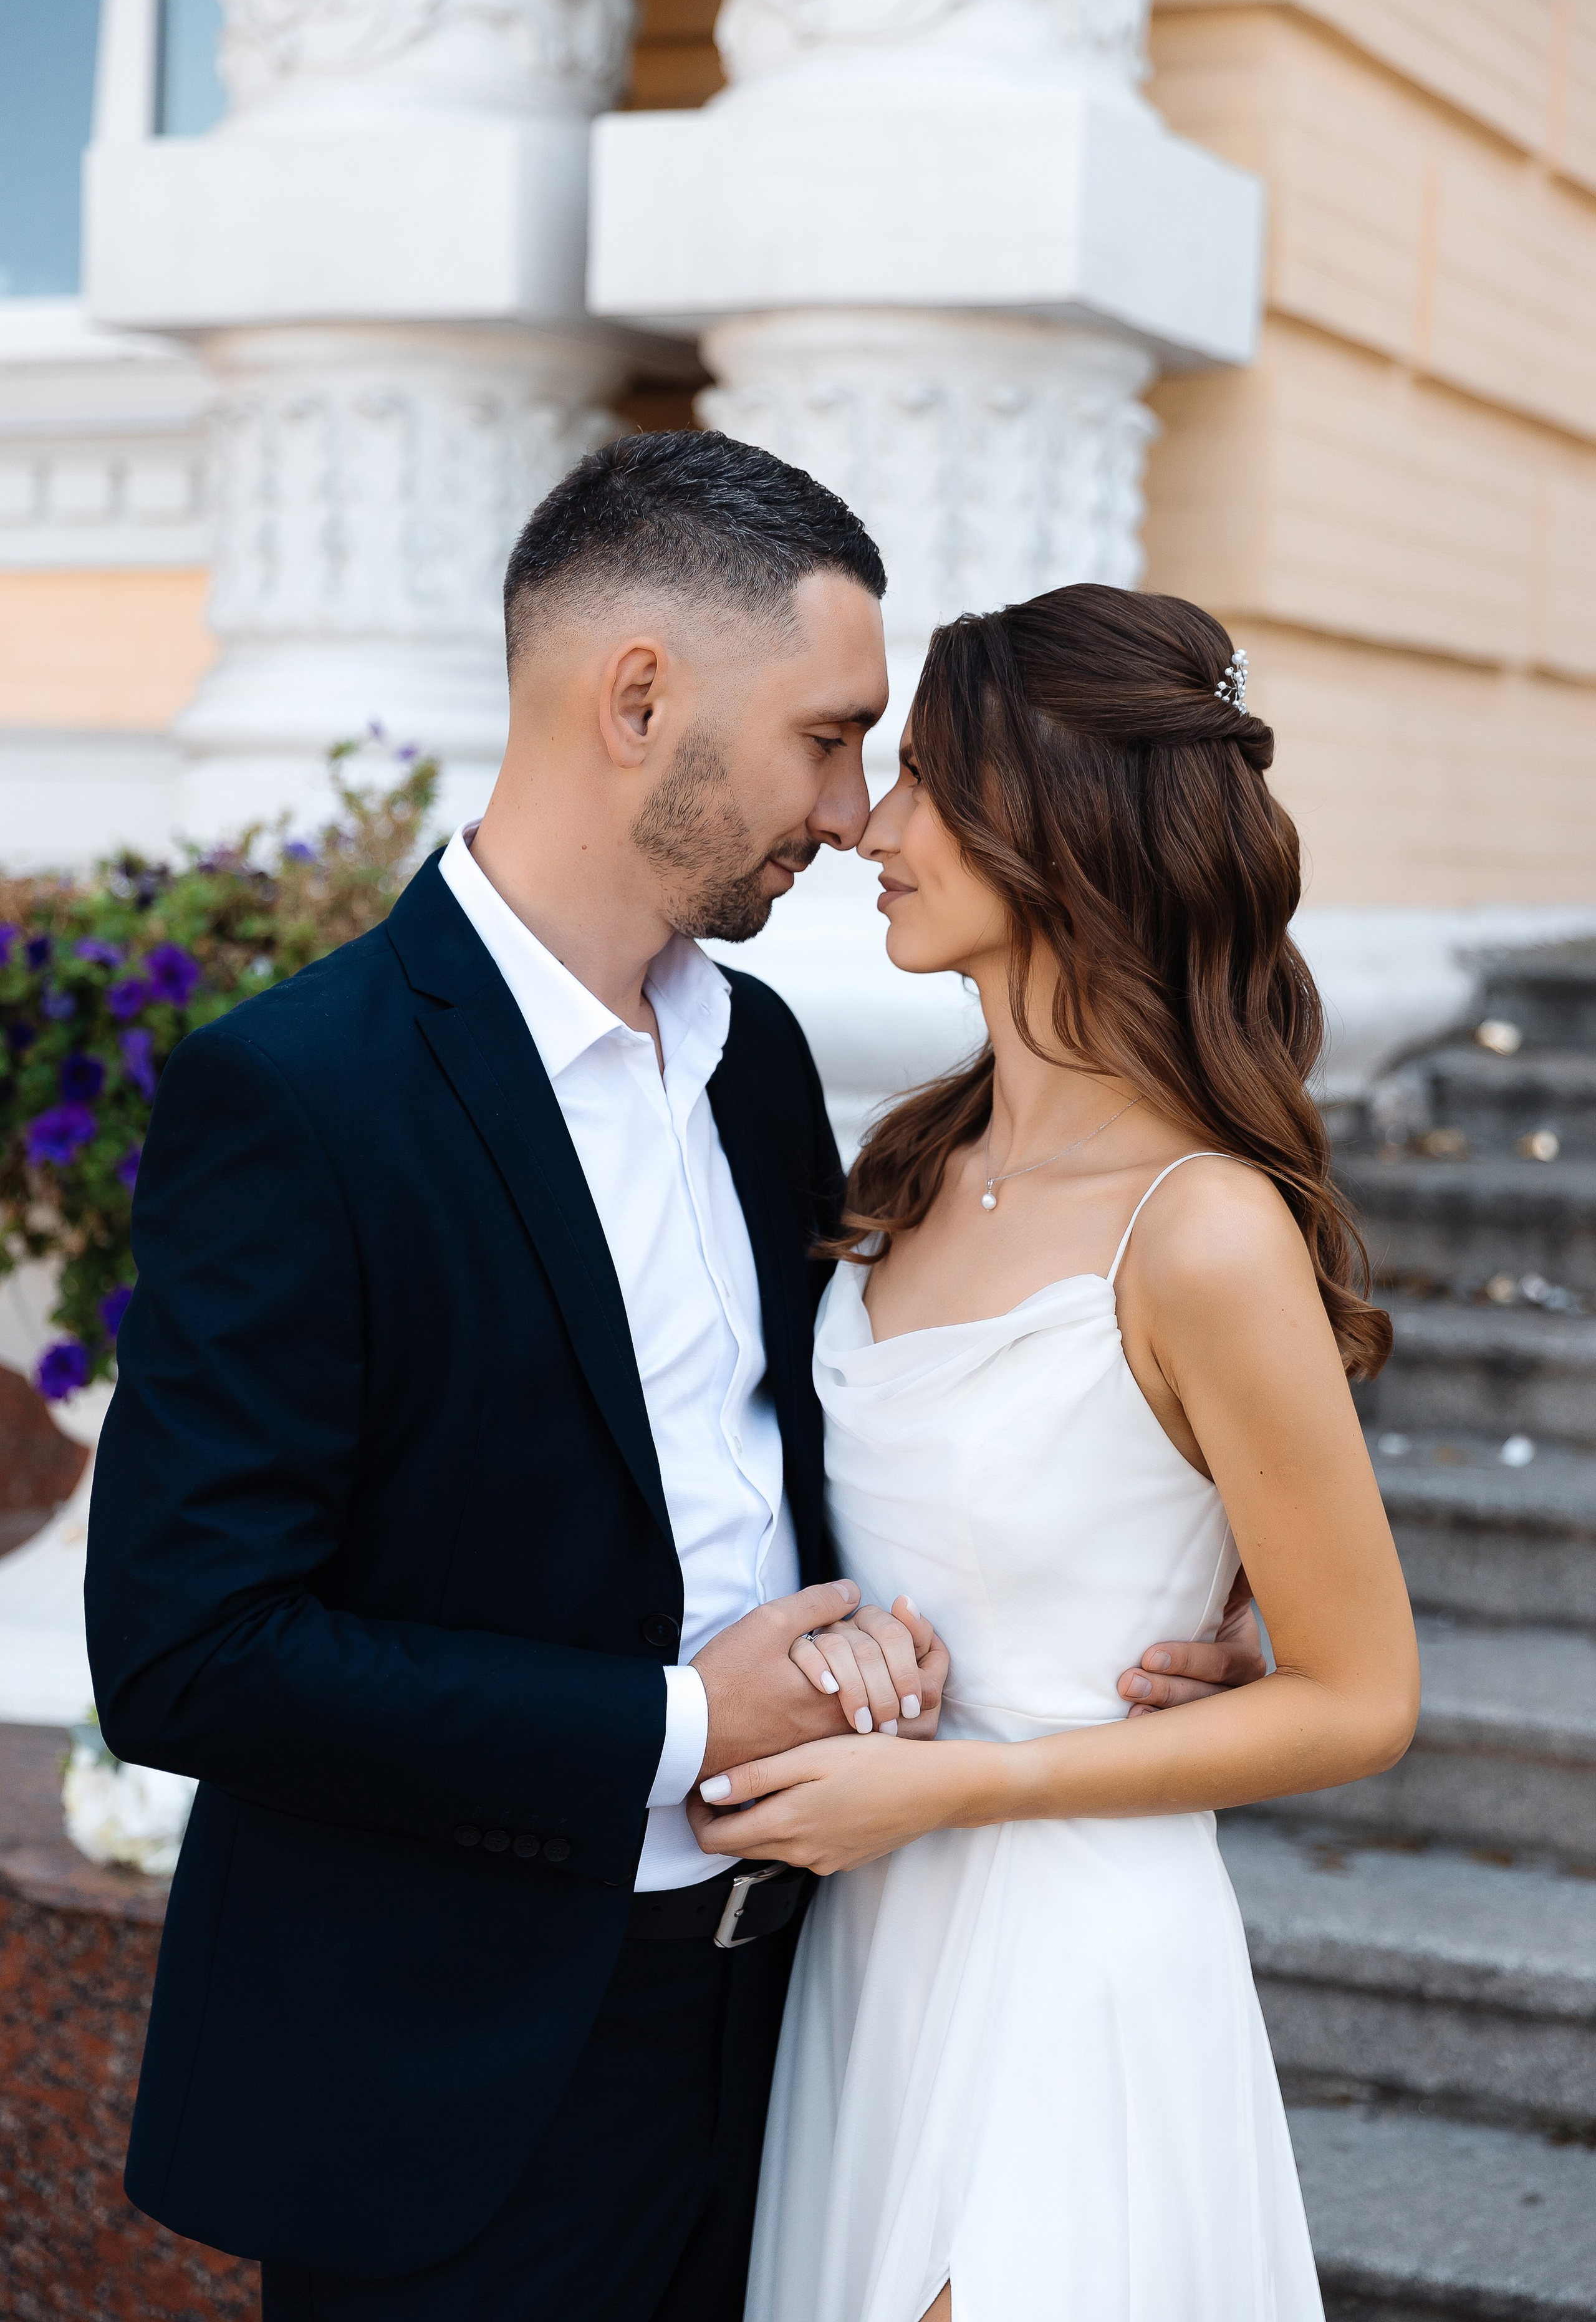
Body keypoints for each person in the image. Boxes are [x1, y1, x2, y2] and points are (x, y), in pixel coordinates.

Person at [85, 435, 1262, 2322]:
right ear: (639, 698)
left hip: (808, 2031)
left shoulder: (767, 1066)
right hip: (456, 2088)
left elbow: (877, 1453)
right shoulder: (304, 1098)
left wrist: (1179, 1584)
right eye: (826, 735)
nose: (858, 808)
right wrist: (681, 1727)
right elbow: (186, 1647)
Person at [695, 585, 1423, 2322]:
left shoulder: (1205, 1232)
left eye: (933, 780)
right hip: (864, 1953)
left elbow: (1362, 1694)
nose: (874, 824)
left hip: (1065, 1958)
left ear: (1069, 829)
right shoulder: (906, 1170)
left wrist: (967, 1783)